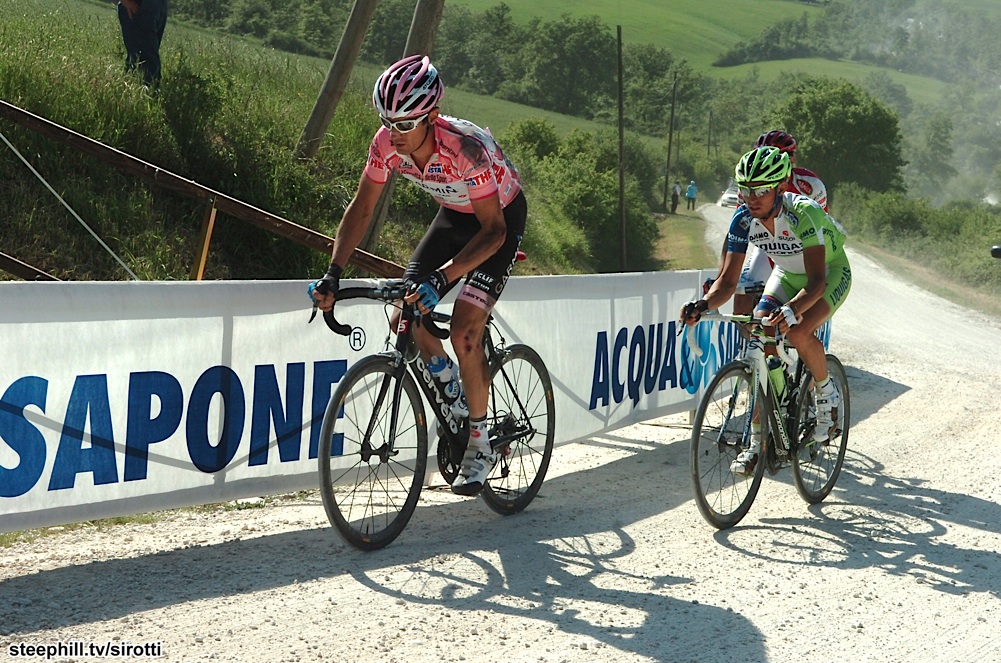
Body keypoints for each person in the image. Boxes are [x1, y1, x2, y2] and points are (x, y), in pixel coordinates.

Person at [309, 55, 527, 497]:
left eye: (404, 125)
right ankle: (452, 387)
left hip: (496, 221)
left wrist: (444, 279)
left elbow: (494, 232)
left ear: (430, 117)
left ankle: (481, 443)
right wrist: (333, 272)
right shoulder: (387, 143)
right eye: (387, 122)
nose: (394, 134)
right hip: (454, 214)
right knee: (402, 315)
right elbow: (362, 208)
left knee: (466, 331)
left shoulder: (467, 149)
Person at [680, 146, 852, 475]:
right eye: (745, 189)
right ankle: (758, 443)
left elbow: (816, 282)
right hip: (788, 274)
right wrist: (702, 305)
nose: (751, 198)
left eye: (760, 190)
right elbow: (727, 283)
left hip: (829, 274)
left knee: (799, 330)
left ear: (778, 188)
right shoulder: (743, 219)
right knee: (761, 340)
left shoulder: (803, 213)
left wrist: (791, 311)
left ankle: (827, 398)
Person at [707, 129, 830, 316]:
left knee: (806, 296)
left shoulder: (809, 186)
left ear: (792, 159)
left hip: (804, 245)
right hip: (770, 245)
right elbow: (735, 236)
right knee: (742, 297)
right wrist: (719, 277)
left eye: (777, 155)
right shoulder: (748, 190)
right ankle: (751, 345)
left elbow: (824, 230)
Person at [117, 0, 168, 87]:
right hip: (139, 5)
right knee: (146, 61)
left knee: (142, 59)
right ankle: (145, 95)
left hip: (156, 6)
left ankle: (135, 93)